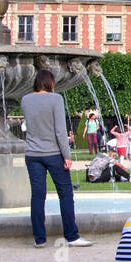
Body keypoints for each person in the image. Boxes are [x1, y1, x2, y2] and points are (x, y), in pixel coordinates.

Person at [22, 70, 92, 249]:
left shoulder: (25, 99)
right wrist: (67, 155)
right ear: (50, 83)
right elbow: (60, 131)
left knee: (37, 196)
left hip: (32, 153)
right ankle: (71, 235)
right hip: (53, 153)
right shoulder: (56, 99)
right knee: (65, 194)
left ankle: (39, 238)